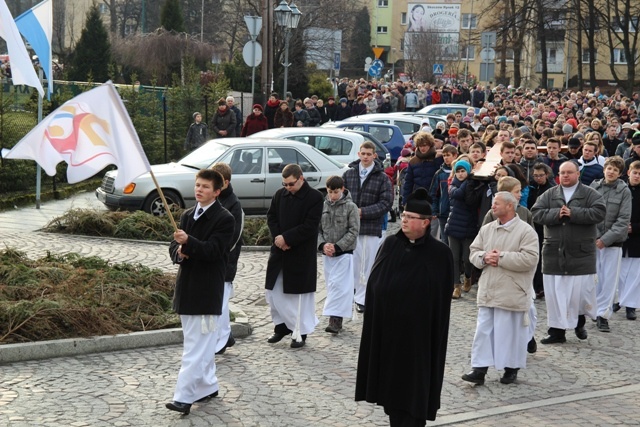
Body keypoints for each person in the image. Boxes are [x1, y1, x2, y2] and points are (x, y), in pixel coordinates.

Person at [355, 188, 453, 427]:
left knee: (414, 396)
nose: (404, 220)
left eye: (411, 217)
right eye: (404, 215)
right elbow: (376, 282)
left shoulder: (440, 254)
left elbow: (440, 300)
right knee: (391, 395)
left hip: (418, 339)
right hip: (389, 335)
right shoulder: (390, 244)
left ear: (426, 223)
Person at [165, 169, 235, 415]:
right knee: (198, 344)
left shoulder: (225, 219)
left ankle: (183, 397)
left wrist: (189, 243)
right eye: (197, 185)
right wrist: (179, 252)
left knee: (196, 347)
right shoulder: (186, 215)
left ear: (217, 191)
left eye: (205, 187)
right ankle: (207, 385)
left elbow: (215, 251)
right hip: (187, 289)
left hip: (207, 291)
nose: (199, 190)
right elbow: (174, 247)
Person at [463, 191, 539, 386]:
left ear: (510, 206)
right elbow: (474, 252)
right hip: (489, 288)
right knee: (483, 330)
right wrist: (484, 258)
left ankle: (511, 368)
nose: (492, 206)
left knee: (510, 332)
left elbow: (530, 259)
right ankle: (478, 369)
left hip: (512, 290)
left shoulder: (526, 231)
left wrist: (501, 258)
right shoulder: (487, 229)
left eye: (496, 203)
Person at [531, 161, 606, 344]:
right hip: (554, 252)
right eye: (562, 172)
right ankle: (556, 332)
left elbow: (599, 212)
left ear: (578, 174)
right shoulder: (550, 194)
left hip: (580, 254)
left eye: (569, 172)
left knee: (578, 294)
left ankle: (579, 322)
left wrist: (574, 213)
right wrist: (557, 214)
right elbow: (537, 213)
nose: (565, 175)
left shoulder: (590, 193)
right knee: (555, 295)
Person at [265, 164, 323, 348]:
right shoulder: (279, 195)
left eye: (291, 184)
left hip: (300, 252)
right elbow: (271, 217)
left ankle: (300, 330)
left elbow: (310, 225)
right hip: (279, 250)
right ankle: (281, 326)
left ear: (301, 178)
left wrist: (288, 239)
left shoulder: (314, 197)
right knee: (273, 292)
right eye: (285, 184)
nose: (288, 188)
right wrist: (278, 238)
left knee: (297, 297)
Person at [342, 141, 394, 313]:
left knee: (368, 263)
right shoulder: (349, 174)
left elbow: (386, 203)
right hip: (351, 227)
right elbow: (342, 198)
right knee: (353, 263)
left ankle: (363, 297)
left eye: (368, 154)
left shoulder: (382, 178)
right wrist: (350, 213)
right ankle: (354, 294)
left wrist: (363, 212)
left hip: (371, 227)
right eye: (363, 153)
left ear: (374, 155)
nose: (365, 157)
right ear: (359, 154)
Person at [590, 156, 632, 332]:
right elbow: (589, 211)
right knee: (594, 279)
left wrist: (605, 239)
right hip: (593, 240)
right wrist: (595, 237)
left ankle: (603, 315)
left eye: (615, 169)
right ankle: (592, 310)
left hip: (613, 243)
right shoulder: (594, 187)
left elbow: (623, 220)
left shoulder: (624, 191)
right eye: (609, 168)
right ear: (604, 169)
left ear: (620, 173)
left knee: (609, 281)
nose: (611, 172)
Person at [317, 176, 360, 334]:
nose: (333, 196)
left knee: (339, 287)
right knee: (331, 285)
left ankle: (334, 320)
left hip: (344, 253)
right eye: (330, 192)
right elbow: (318, 229)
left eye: (335, 192)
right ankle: (336, 318)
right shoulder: (323, 206)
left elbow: (354, 231)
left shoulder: (351, 207)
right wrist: (323, 245)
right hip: (327, 253)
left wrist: (338, 246)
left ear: (342, 189)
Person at [210, 163, 244, 356]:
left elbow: (234, 236)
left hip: (225, 260)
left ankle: (221, 341)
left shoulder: (233, 204)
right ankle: (227, 336)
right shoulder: (212, 198)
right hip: (211, 259)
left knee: (220, 303)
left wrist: (216, 253)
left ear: (225, 182)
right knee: (217, 301)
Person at [445, 159, 478, 298]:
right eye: (458, 171)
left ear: (468, 171)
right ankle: (456, 286)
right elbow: (457, 194)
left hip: (469, 226)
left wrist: (470, 182)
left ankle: (468, 277)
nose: (460, 174)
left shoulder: (473, 185)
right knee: (454, 258)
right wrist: (467, 182)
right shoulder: (453, 184)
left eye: (463, 171)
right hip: (454, 225)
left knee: (467, 258)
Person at [617, 160, 640, 320]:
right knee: (618, 272)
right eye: (635, 172)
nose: (637, 176)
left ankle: (630, 305)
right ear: (628, 173)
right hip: (618, 236)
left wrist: (635, 227)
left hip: (637, 239)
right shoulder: (620, 189)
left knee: (634, 274)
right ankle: (617, 300)